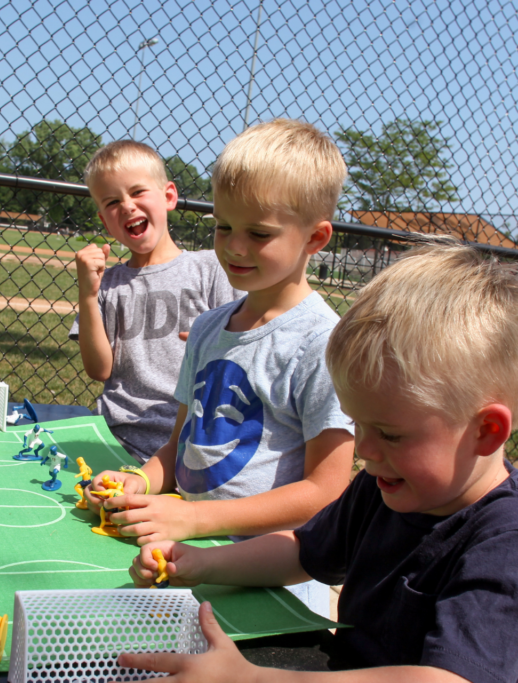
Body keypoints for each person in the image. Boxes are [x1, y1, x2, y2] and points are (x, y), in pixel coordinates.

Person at [125, 241, 518, 682]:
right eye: (357, 425)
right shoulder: (385, 484)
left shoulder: (503, 543)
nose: (364, 451)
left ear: (485, 432)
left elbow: (449, 679)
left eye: (389, 433)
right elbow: (303, 551)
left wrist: (252, 678)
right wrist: (199, 563)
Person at [89, 120, 356, 616]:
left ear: (315, 238)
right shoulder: (210, 328)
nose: (234, 246)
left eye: (259, 233)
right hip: (191, 548)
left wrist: (194, 520)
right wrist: (142, 483)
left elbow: (327, 492)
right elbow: (179, 447)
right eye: (223, 227)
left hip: (274, 576)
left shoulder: (322, 343)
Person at [69, 141, 241, 462]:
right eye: (112, 201)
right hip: (118, 435)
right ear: (105, 222)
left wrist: (212, 345)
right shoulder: (108, 284)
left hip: (194, 437)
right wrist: (88, 294)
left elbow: (239, 353)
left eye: (137, 192)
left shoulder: (209, 269)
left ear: (168, 197)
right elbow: (99, 369)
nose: (128, 206)